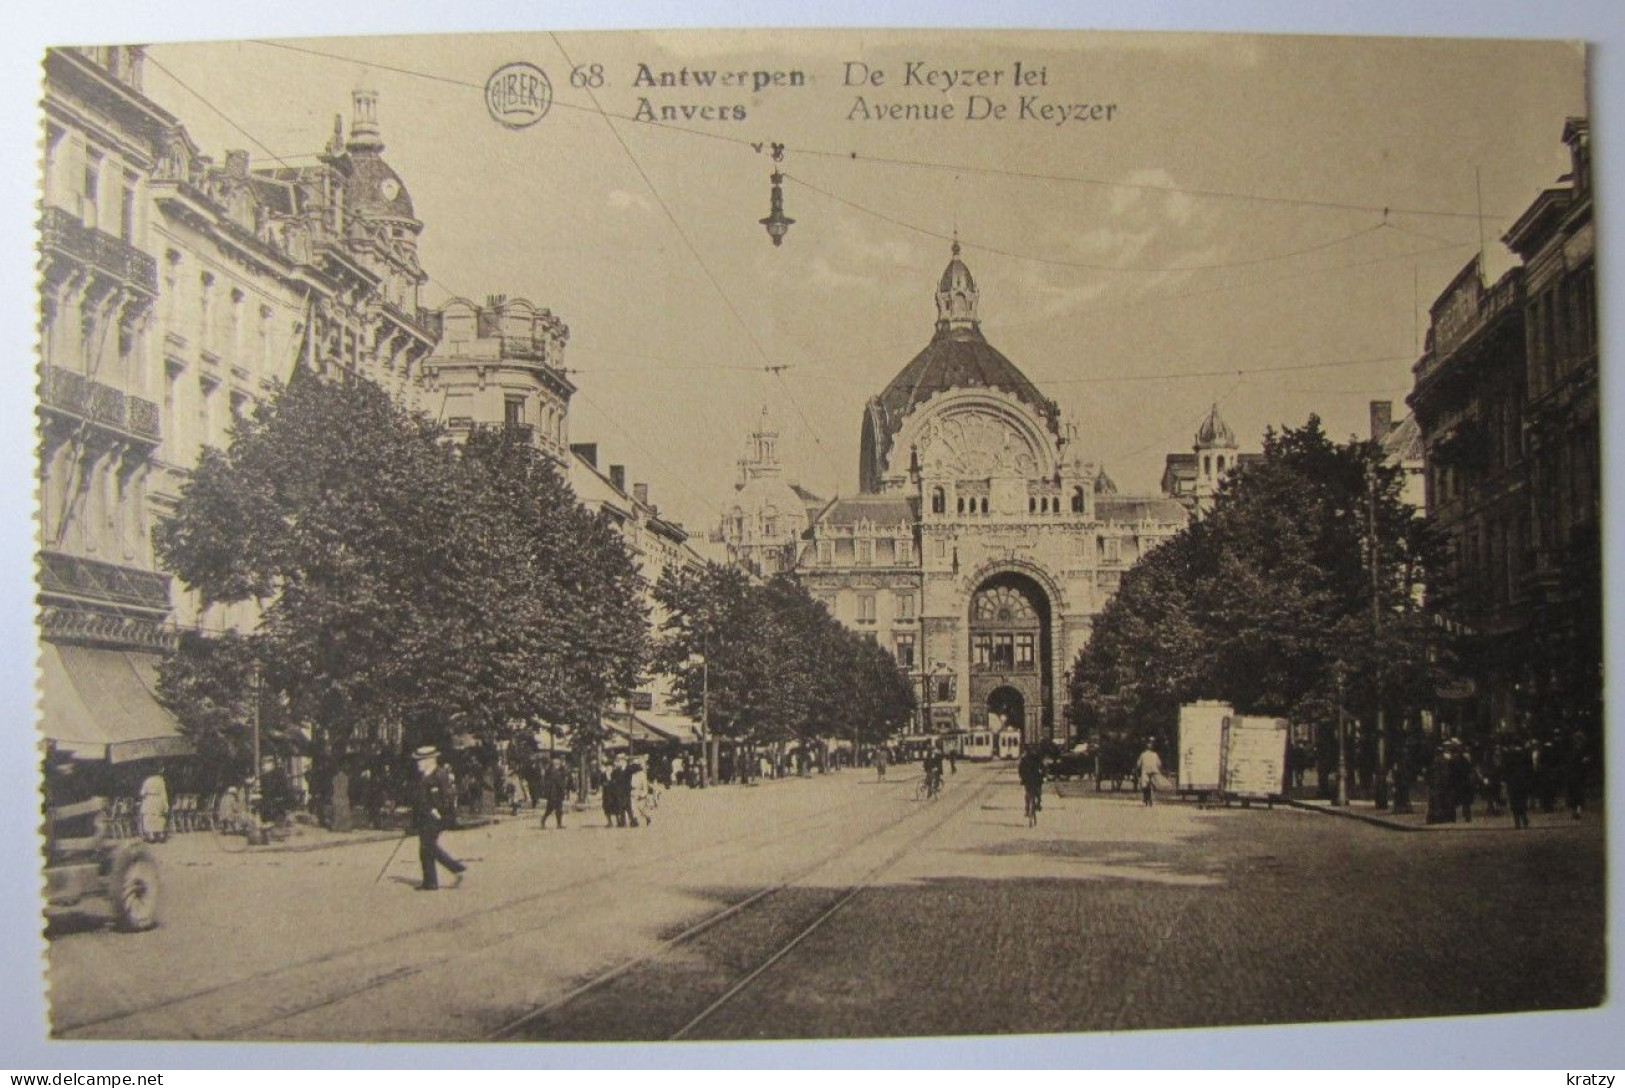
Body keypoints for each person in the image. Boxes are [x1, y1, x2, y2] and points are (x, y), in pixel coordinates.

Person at [412, 745, 466, 891]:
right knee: (425, 848)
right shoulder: (424, 776)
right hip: (425, 817)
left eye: (421, 761)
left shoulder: (439, 775)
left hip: (437, 817)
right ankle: (431, 882)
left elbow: (448, 796)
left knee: (428, 846)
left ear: (430, 760)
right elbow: (420, 799)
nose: (418, 764)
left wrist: (439, 810)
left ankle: (455, 868)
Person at [138, 765, 170, 843]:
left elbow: (142, 793)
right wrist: (165, 803)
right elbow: (163, 793)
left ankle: (151, 835)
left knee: (149, 816)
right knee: (159, 817)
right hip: (159, 799)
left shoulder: (147, 780)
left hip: (150, 799)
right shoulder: (161, 781)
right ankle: (160, 834)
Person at [1017, 745, 1045, 826]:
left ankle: (1027, 809)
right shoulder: (1037, 757)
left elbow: (1020, 769)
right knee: (1038, 792)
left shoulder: (1024, 758)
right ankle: (1038, 804)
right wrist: (1043, 775)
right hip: (1036, 778)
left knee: (1028, 794)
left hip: (1028, 779)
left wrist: (1022, 777)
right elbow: (1043, 767)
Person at [540, 757, 568, 829]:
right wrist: (563, 790)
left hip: (553, 794)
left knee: (553, 809)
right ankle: (547, 821)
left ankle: (556, 823)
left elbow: (564, 774)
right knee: (554, 809)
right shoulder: (555, 772)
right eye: (557, 764)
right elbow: (560, 782)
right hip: (555, 794)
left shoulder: (551, 771)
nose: (558, 765)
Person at [1135, 740, 1163, 807]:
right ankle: (1152, 792)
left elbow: (1138, 764)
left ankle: (1145, 798)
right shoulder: (1155, 754)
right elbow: (1159, 764)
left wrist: (1138, 768)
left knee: (1144, 785)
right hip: (1154, 771)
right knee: (1154, 783)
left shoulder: (1143, 754)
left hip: (1145, 771)